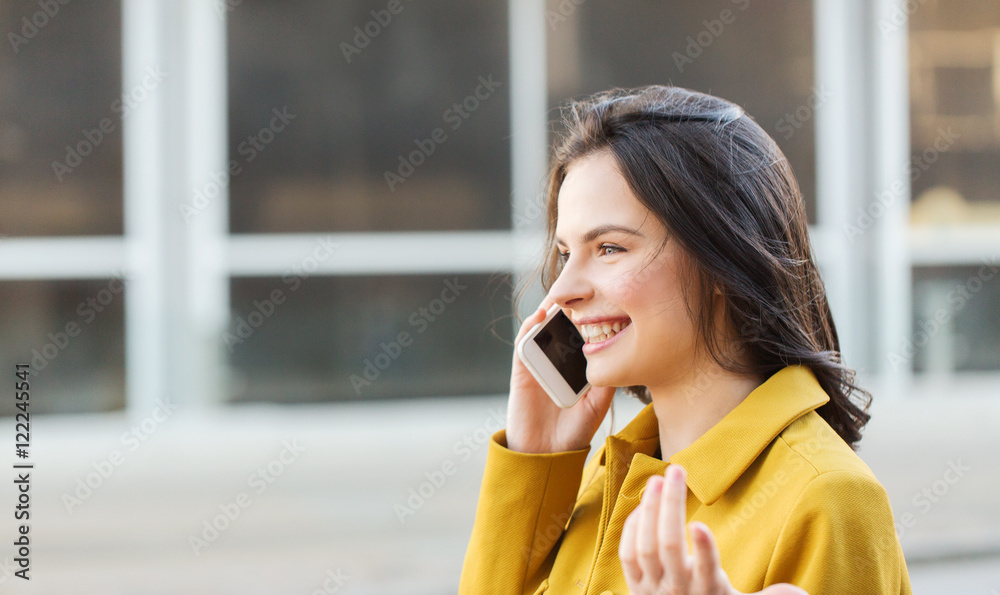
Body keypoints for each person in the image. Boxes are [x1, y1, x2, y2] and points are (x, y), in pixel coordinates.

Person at [458, 86, 912, 594]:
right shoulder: (609, 479)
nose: (562, 290)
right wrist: (534, 467)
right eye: (565, 254)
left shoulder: (829, 499)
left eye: (609, 247)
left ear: (721, 257)